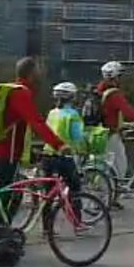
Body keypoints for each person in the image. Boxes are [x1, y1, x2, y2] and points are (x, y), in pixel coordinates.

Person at [0, 57, 66, 225]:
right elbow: (36, 121)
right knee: (10, 196)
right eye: (38, 71)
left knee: (6, 194)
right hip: (7, 153)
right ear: (31, 73)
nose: (40, 74)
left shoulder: (10, 89)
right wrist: (59, 144)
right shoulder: (20, 93)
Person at [97, 61, 134, 206]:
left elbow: (109, 113)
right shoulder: (114, 94)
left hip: (99, 133)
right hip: (110, 135)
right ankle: (110, 198)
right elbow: (128, 111)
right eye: (120, 76)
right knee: (120, 165)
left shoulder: (99, 90)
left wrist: (123, 124)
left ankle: (110, 197)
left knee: (105, 165)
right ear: (116, 77)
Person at [41, 82, 84, 215]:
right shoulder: (73, 114)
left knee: (48, 193)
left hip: (47, 154)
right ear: (72, 97)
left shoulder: (52, 113)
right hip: (64, 156)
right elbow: (77, 137)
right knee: (75, 187)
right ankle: (77, 221)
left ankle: (47, 227)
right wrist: (82, 149)